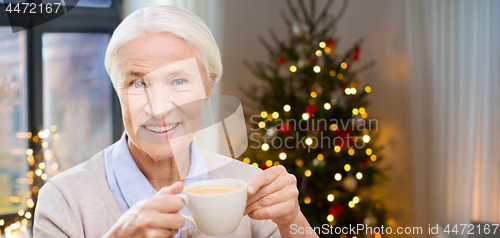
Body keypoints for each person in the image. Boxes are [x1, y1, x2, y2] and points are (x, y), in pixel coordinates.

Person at [33, 5, 317, 238]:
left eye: (178, 80)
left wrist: (293, 220)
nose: (158, 109)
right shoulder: (64, 200)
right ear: (116, 88)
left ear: (209, 87)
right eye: (137, 84)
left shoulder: (248, 187)